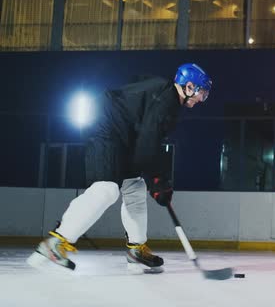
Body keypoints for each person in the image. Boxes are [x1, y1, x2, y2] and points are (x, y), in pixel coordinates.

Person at [27, 63, 212, 274]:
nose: (201, 99)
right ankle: (56, 242)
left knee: (135, 187)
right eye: (202, 93)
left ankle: (136, 249)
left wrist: (156, 180)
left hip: (124, 134)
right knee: (107, 190)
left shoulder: (165, 94)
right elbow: (148, 143)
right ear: (189, 87)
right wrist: (158, 179)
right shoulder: (167, 99)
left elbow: (146, 138)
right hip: (107, 128)